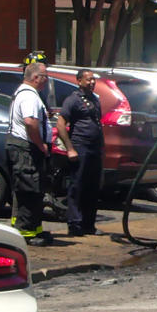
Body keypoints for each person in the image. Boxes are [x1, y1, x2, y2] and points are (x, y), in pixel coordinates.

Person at [7, 62, 52, 246]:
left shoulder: (28, 94)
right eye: (44, 76)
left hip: (25, 147)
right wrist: (41, 145)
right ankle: (25, 233)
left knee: (34, 189)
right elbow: (30, 122)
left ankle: (35, 229)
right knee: (28, 189)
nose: (46, 79)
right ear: (35, 78)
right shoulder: (28, 96)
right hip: (25, 148)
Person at [56, 69, 104, 236]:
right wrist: (70, 148)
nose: (92, 82)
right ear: (79, 81)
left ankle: (88, 224)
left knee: (92, 187)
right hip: (80, 147)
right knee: (77, 186)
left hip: (95, 149)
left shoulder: (95, 99)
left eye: (93, 80)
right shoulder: (72, 100)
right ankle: (75, 224)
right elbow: (60, 124)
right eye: (88, 79)